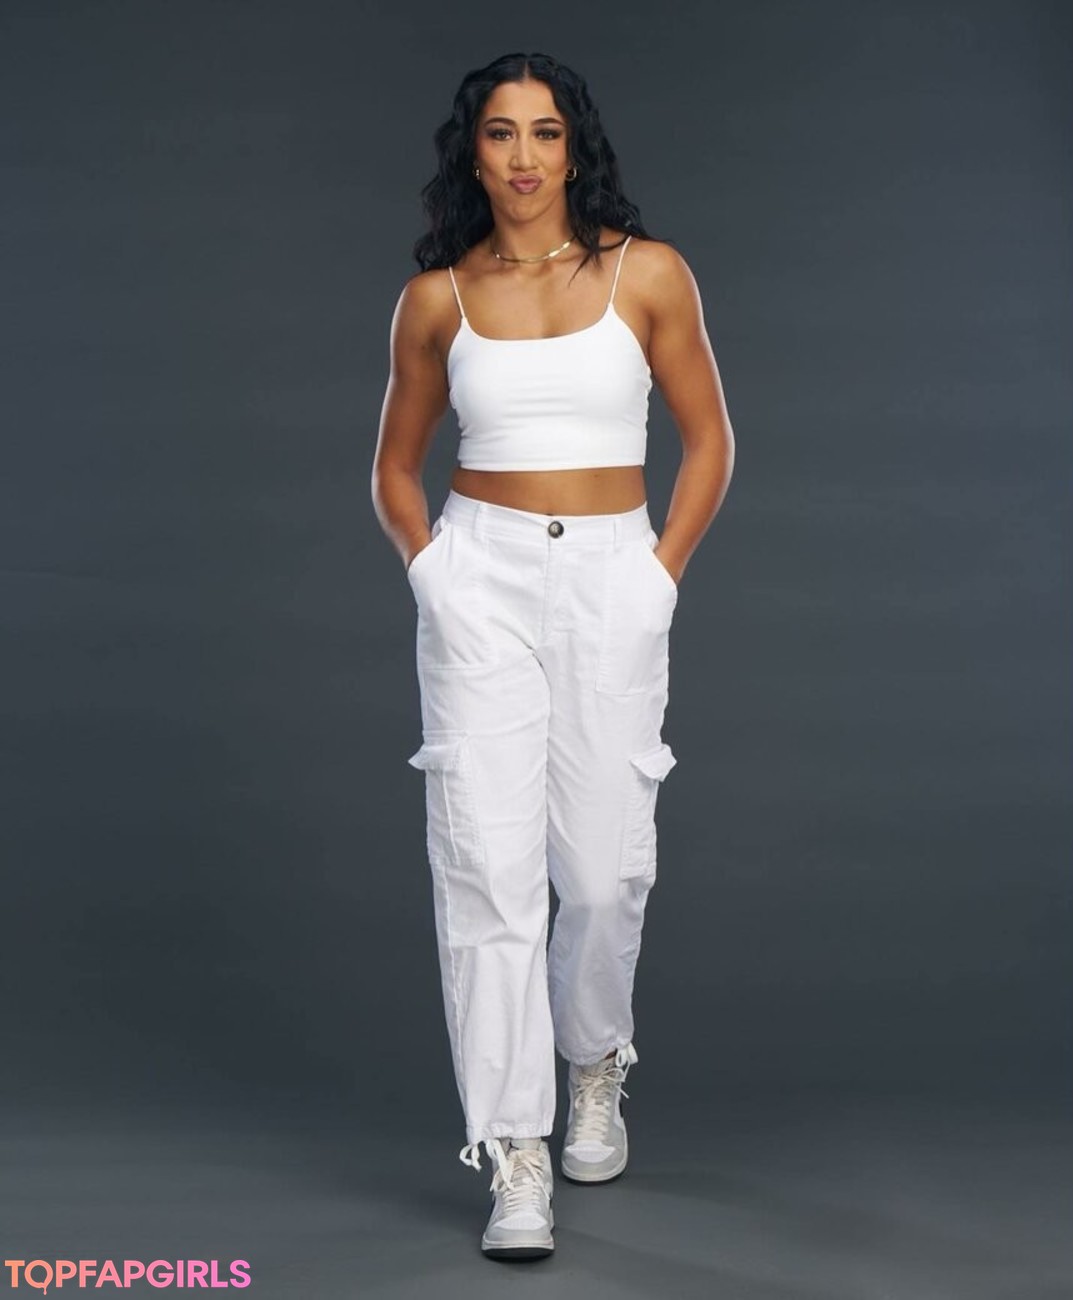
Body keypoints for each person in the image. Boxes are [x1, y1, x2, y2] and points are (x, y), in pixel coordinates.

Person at [371, 51, 734, 1261]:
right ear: (471, 153)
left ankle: (592, 1062)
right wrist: (435, 576)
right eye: (499, 133)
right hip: (480, 574)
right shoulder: (437, 299)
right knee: (485, 869)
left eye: (543, 132)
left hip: (611, 576)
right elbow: (394, 468)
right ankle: (513, 1149)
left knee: (602, 869)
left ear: (575, 147)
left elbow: (709, 440)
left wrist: (658, 575)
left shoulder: (648, 274)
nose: (523, 156)